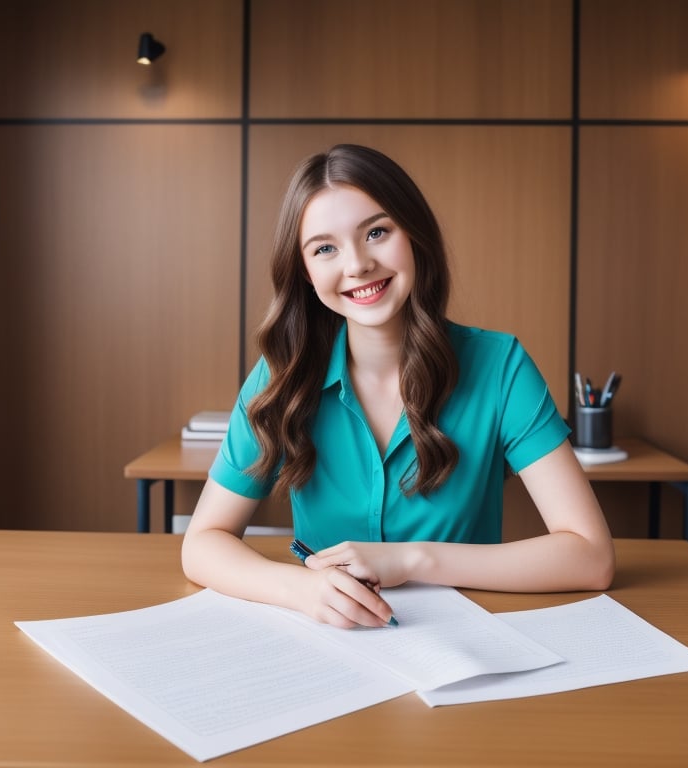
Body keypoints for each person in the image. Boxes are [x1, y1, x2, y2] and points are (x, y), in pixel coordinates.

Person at [181, 144, 614, 629]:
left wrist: (410, 561)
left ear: (414, 235)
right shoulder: (281, 374)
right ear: (306, 272)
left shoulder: (500, 366)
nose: (358, 264)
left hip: (466, 639)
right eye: (325, 248)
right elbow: (203, 543)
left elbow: (591, 557)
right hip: (328, 640)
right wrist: (301, 590)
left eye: (377, 232)